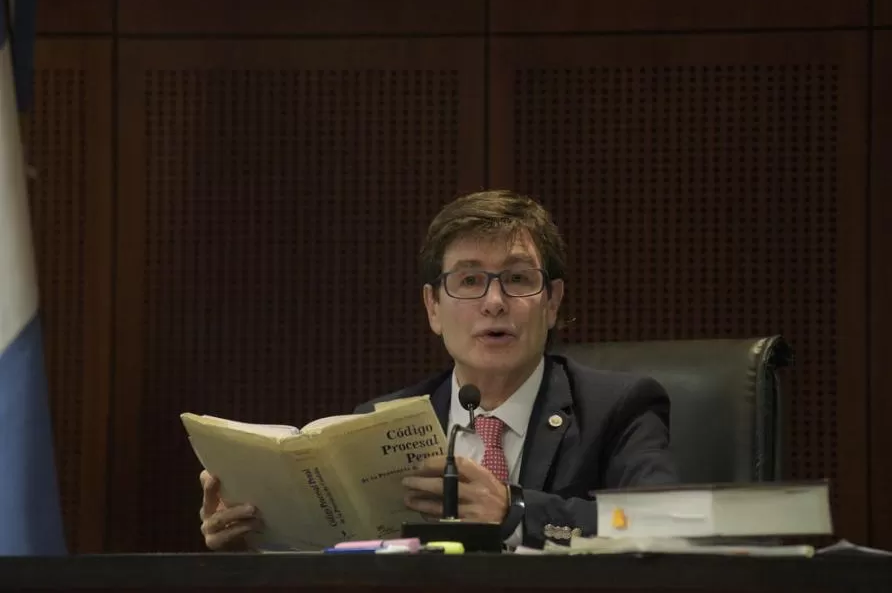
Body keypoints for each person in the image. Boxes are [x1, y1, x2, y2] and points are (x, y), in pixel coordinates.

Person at [199, 189, 677, 550]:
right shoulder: (377, 423)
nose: (494, 303)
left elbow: (662, 528)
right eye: (469, 280)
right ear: (433, 307)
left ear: (551, 302)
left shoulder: (619, 408)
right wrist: (255, 542)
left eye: (516, 279)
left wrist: (515, 512)